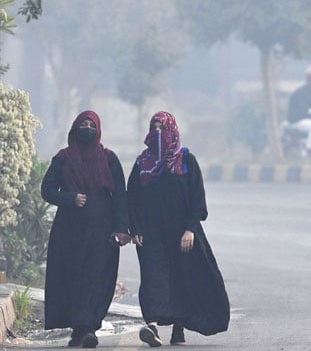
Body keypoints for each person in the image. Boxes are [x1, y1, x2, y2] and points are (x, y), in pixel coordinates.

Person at [128, 111, 229, 347]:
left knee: (182, 278)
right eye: (154, 128)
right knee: (154, 278)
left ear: (173, 130)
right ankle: (151, 326)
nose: (158, 133)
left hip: (182, 233)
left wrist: (190, 229)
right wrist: (135, 228)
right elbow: (131, 198)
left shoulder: (186, 161)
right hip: (150, 234)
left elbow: (197, 200)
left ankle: (178, 330)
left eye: (163, 128)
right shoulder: (142, 162)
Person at [41, 110, 130, 348]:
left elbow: (120, 194)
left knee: (97, 276)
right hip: (69, 231)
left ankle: (89, 326)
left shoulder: (109, 158)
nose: (88, 128)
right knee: (72, 276)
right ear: (74, 128)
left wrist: (122, 227)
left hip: (102, 230)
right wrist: (70, 198)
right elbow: (47, 189)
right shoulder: (63, 158)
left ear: (98, 129)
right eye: (84, 124)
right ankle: (79, 329)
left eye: (92, 124)